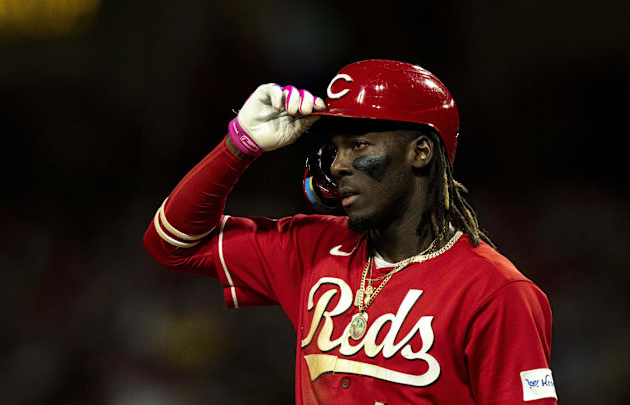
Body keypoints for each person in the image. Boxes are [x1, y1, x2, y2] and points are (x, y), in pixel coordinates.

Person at [143, 60, 557, 404]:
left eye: (358, 144)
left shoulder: (496, 292)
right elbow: (171, 245)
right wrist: (238, 147)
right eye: (335, 148)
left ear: (420, 151)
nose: (339, 165)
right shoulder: (311, 247)